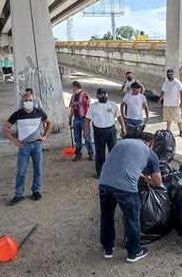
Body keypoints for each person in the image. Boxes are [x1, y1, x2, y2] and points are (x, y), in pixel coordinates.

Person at [99, 132, 162, 263]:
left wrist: (141, 176)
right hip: (125, 187)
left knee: (107, 215)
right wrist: (147, 179)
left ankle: (107, 249)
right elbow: (157, 182)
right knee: (132, 217)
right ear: (151, 143)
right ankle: (134, 252)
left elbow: (123, 164)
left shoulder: (121, 143)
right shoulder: (150, 152)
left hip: (104, 182)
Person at [2, 93, 53, 205]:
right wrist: (13, 140)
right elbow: (5, 128)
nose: (28, 102)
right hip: (24, 146)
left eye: (30, 100)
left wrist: (45, 136)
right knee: (21, 171)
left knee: (38, 170)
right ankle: (18, 194)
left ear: (33, 101)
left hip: (37, 145)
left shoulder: (39, 112)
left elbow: (50, 122)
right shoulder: (17, 114)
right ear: (22, 102)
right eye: (26, 100)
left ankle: (36, 191)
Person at [84, 88, 126, 179]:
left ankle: (114, 171)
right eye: (101, 94)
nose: (103, 96)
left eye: (105, 94)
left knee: (113, 151)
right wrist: (85, 131)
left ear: (107, 95)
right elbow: (87, 119)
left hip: (111, 130)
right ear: (97, 96)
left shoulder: (113, 105)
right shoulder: (93, 106)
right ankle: (100, 172)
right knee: (100, 152)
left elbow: (119, 117)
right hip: (99, 132)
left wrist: (123, 127)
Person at [68, 81, 94, 161]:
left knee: (87, 136)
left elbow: (89, 108)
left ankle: (91, 153)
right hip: (76, 119)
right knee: (77, 137)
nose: (72, 89)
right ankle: (78, 154)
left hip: (84, 119)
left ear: (76, 87)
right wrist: (70, 118)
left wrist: (89, 120)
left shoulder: (85, 95)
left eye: (72, 87)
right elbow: (72, 108)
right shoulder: (73, 96)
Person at [157, 69, 182, 137]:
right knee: (168, 118)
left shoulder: (177, 83)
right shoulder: (165, 83)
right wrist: (159, 100)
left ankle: (181, 131)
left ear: (173, 74)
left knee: (178, 119)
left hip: (175, 104)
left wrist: (181, 102)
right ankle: (168, 130)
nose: (170, 76)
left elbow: (181, 92)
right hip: (167, 104)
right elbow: (163, 92)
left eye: (171, 74)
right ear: (167, 75)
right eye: (168, 75)